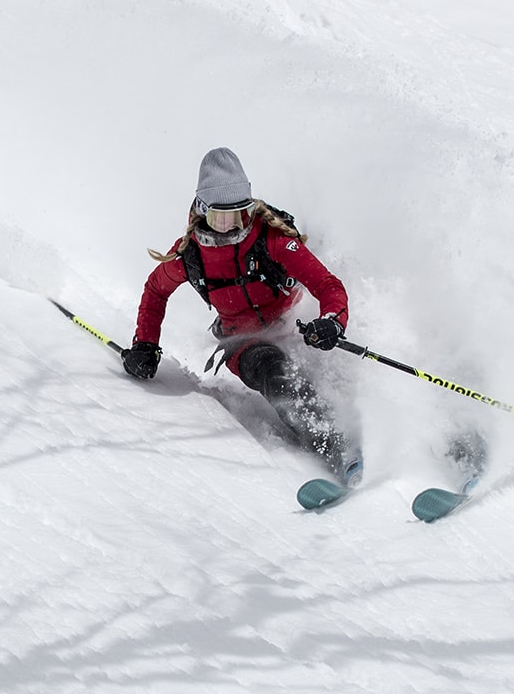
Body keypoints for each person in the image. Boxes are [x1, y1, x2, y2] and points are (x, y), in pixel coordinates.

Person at [123, 147, 363, 484]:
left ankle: (412, 434)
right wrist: (145, 345)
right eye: (221, 218)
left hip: (299, 327)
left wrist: (332, 321)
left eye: (239, 215)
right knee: (278, 376)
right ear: (202, 212)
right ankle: (335, 448)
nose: (230, 227)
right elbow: (155, 291)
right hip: (246, 343)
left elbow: (327, 284)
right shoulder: (189, 255)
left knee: (342, 372)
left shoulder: (271, 239)